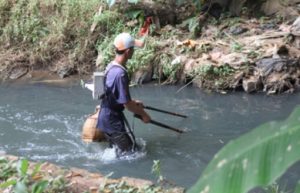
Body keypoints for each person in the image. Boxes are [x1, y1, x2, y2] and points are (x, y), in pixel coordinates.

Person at [96, 32, 151, 156]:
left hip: (105, 118)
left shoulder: (111, 66)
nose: (133, 52)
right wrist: (144, 115)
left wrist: (134, 102)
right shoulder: (120, 74)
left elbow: (116, 95)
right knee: (132, 154)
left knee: (118, 153)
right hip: (112, 121)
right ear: (127, 52)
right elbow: (127, 105)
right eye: (133, 49)